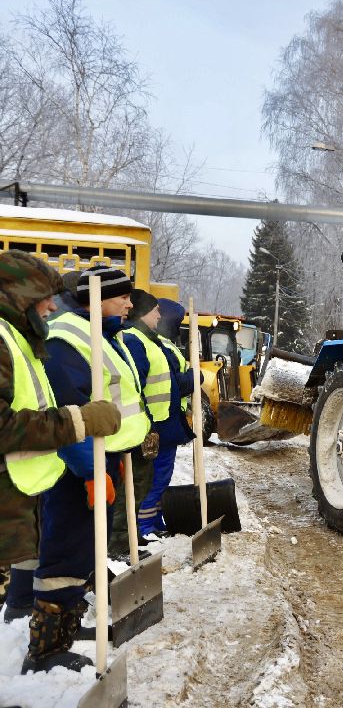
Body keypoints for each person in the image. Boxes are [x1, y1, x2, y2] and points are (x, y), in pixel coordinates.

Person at [19, 265, 149, 673]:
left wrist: (116, 457)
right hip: (77, 467)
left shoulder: (105, 337)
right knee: (65, 551)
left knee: (83, 548)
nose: (130, 303)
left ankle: (66, 626)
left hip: (102, 460)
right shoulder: (67, 340)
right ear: (98, 298)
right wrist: (90, 471)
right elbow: (66, 415)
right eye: (122, 295)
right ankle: (46, 649)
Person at [0, 252, 121, 673]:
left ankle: (44, 649)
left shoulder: (18, 338)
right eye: (44, 297)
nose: (53, 306)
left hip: (24, 489)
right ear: (19, 294)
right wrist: (80, 422)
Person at [120, 294, 195, 541]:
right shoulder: (137, 341)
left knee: (159, 478)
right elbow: (136, 386)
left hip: (165, 424)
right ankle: (143, 527)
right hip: (154, 426)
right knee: (151, 480)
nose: (159, 316)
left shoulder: (154, 342)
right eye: (155, 311)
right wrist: (195, 380)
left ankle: (152, 522)